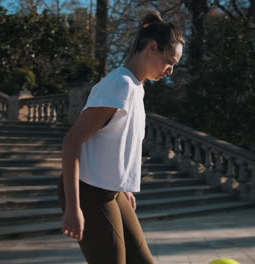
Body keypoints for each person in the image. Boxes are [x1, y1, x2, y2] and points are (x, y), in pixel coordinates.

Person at [58, 10, 184, 264]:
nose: (170, 70)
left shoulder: (137, 87)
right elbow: (72, 142)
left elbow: (118, 141)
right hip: (89, 190)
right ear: (151, 47)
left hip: (111, 190)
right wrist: (74, 208)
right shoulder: (121, 84)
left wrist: (123, 184)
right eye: (169, 61)